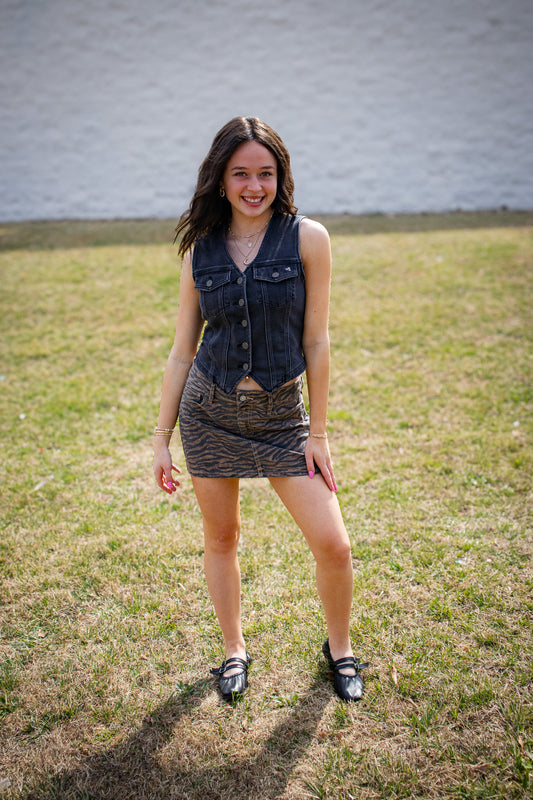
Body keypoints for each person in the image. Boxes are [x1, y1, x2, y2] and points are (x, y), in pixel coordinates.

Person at [153, 117, 367, 702]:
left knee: (334, 543)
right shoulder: (201, 251)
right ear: (220, 180)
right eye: (241, 173)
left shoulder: (308, 239)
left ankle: (340, 650)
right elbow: (181, 350)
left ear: (281, 177)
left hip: (281, 418)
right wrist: (160, 435)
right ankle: (233, 650)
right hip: (209, 412)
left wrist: (317, 432)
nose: (254, 185)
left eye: (265, 173)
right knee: (222, 538)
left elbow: (318, 341)